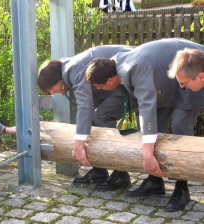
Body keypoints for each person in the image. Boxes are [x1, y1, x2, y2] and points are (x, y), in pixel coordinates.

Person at [84, 38, 204, 212]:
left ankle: (181, 188)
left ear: (110, 79)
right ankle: (155, 181)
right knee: (157, 128)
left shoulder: (134, 68)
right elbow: (146, 111)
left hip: (191, 71)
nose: (100, 90)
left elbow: (146, 106)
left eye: (100, 86)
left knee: (180, 131)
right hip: (167, 82)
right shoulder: (117, 63)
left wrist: (147, 154)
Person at [38, 45, 135, 192]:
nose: (52, 92)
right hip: (113, 88)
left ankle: (121, 174)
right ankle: (99, 169)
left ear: (59, 78)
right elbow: (85, 113)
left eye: (52, 87)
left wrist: (78, 144)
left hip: (130, 84)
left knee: (102, 116)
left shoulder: (74, 70)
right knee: (91, 121)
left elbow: (86, 107)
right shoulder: (68, 69)